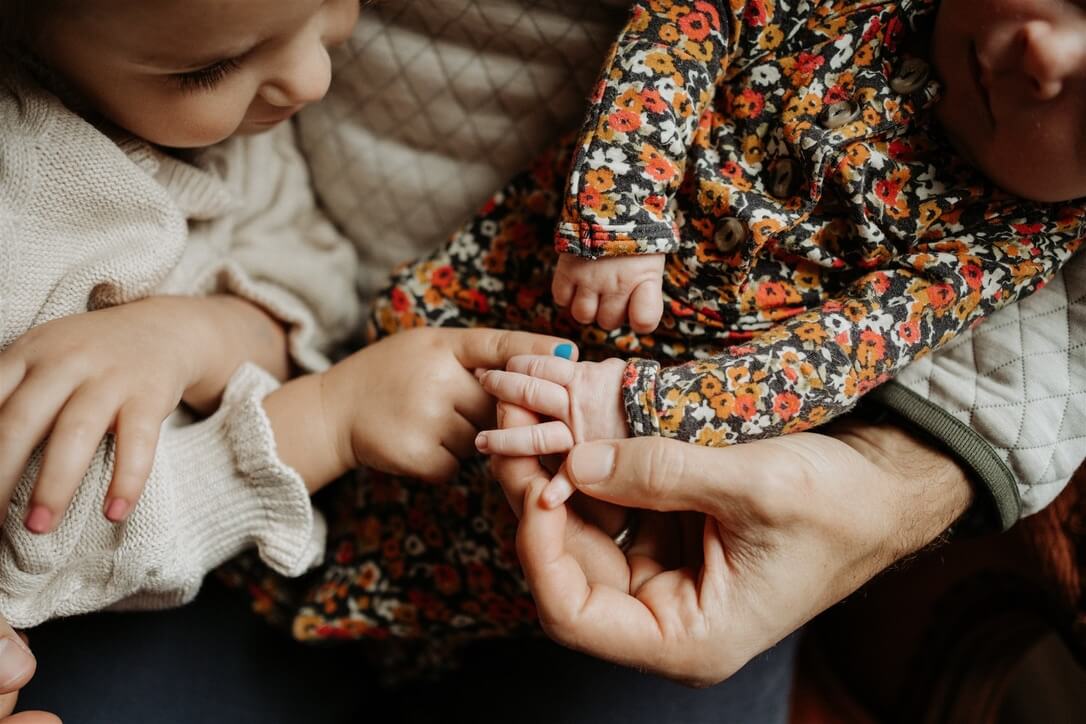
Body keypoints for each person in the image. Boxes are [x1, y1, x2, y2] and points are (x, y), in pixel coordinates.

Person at [262, 0, 1084, 663]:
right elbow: (690, 23)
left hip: (652, 434)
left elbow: (841, 351)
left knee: (512, 543)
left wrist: (645, 410)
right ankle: (269, 497)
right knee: (386, 391)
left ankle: (384, 626)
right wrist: (621, 211)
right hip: (525, 284)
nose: (1043, 54)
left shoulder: (1012, 236)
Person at [0, 0, 574, 630]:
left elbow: (314, 292)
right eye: (210, 70)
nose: (312, 79)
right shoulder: (22, 212)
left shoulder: (241, 136)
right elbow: (47, 557)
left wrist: (186, 336)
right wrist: (323, 420)